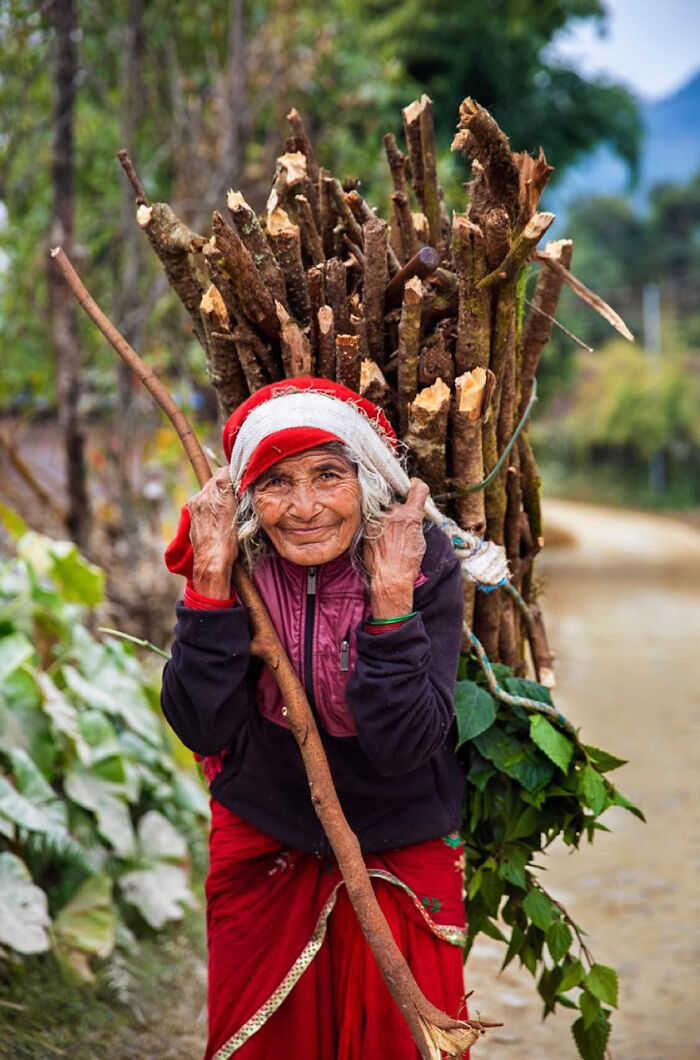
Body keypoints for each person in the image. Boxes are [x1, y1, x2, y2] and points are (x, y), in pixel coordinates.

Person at [161, 377, 469, 1059]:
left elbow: (405, 746)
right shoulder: (234, 560)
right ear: (249, 496)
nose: (302, 508)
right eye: (275, 483)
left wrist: (391, 602)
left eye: (329, 476)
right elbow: (200, 728)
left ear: (365, 481)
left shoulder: (420, 561)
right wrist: (210, 585)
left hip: (401, 823)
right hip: (266, 823)